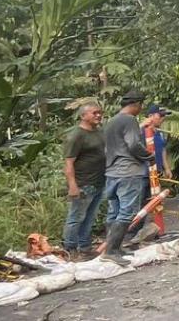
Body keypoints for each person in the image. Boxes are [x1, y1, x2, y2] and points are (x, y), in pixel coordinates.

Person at [100, 90, 153, 265]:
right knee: (126, 212)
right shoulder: (129, 120)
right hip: (128, 172)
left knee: (114, 211)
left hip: (112, 172)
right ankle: (111, 250)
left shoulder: (111, 121)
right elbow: (133, 144)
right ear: (136, 104)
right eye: (141, 105)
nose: (141, 109)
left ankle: (113, 248)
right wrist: (149, 156)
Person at [61, 99, 105, 260]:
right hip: (83, 184)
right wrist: (73, 186)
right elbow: (68, 163)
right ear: (83, 116)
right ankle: (70, 248)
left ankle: (85, 247)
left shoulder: (99, 132)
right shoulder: (76, 136)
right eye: (94, 113)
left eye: (100, 112)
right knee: (76, 217)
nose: (98, 115)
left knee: (89, 217)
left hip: (98, 182)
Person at [127, 104, 172, 241]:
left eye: (164, 116)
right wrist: (142, 125)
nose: (162, 119)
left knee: (153, 203)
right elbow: (129, 142)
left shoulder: (160, 132)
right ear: (151, 116)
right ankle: (130, 233)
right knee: (138, 203)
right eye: (160, 116)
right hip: (141, 173)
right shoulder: (140, 131)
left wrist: (166, 168)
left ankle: (151, 231)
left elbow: (162, 150)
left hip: (155, 173)